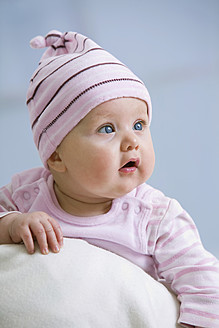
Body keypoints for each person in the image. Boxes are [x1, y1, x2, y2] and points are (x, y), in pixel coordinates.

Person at [0, 30, 218, 328]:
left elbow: (206, 286)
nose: (132, 142)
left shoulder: (157, 218)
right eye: (107, 129)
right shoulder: (24, 196)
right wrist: (10, 224)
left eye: (139, 124)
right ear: (56, 156)